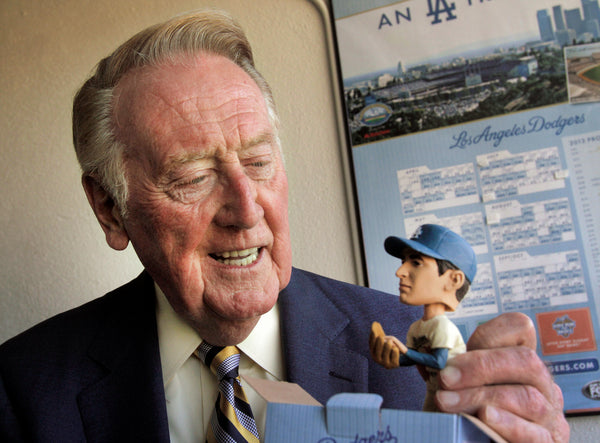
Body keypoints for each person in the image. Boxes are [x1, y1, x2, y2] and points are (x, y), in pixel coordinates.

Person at [0, 9, 568, 443]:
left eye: (258, 162)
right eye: (193, 176)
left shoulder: (407, 349)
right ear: (109, 208)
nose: (247, 209)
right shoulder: (25, 390)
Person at [370, 224, 476, 412]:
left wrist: (404, 350)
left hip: (458, 398)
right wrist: (392, 357)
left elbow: (439, 361)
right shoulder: (417, 327)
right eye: (403, 261)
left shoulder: (443, 326)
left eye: (416, 263)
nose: (400, 271)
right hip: (434, 390)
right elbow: (414, 360)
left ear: (454, 280)